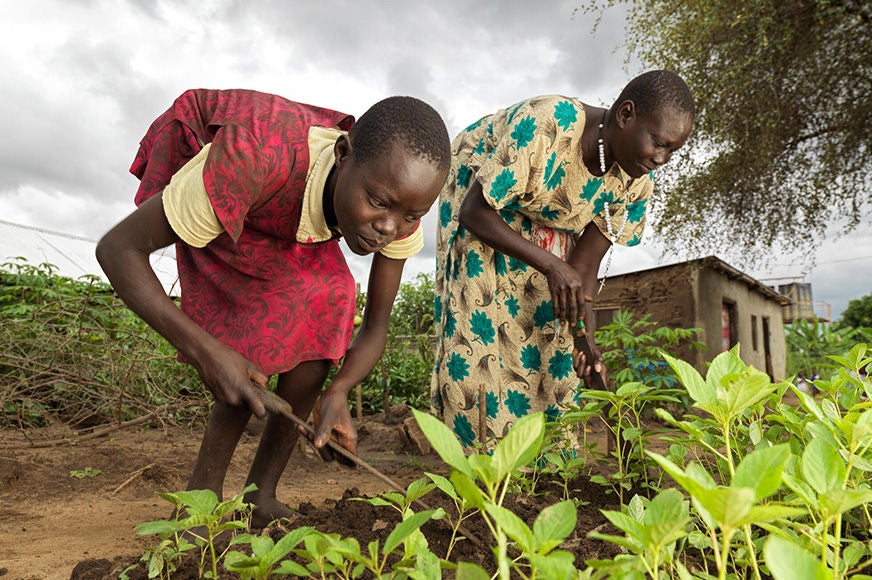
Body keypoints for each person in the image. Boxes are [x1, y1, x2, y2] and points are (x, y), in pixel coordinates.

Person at [97, 89, 450, 527]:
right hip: (223, 174)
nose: (389, 228)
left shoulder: (397, 206)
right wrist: (210, 353)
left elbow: (376, 325)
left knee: (331, 294)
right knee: (258, 332)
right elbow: (117, 250)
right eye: (378, 202)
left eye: (412, 216)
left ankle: (259, 495)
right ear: (343, 153)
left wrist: (337, 391)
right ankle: (199, 498)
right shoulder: (252, 157)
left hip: (281, 206)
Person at [430, 70, 695, 446]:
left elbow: (582, 269)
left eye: (673, 151)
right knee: (482, 323)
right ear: (626, 115)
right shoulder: (548, 125)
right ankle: (481, 459)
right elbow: (475, 212)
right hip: (482, 196)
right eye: (658, 143)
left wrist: (585, 340)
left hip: (548, 214)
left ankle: (546, 462)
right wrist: (553, 264)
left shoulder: (635, 182)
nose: (663, 159)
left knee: (551, 330)